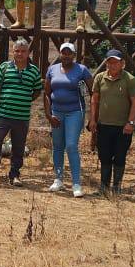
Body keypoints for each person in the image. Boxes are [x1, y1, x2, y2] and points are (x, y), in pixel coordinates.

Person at [0, 39, 44, 187]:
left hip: (22, 117)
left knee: (18, 147)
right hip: (3, 115)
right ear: (13, 52)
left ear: (28, 53)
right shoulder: (5, 67)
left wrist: (24, 99)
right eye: (17, 51)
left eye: (23, 51)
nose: (20, 54)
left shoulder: (34, 71)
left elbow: (37, 90)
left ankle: (15, 175)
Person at [44, 42, 93, 198]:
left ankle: (76, 183)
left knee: (71, 146)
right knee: (57, 146)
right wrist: (48, 115)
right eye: (63, 53)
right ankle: (58, 179)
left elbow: (93, 93)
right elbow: (46, 93)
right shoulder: (52, 69)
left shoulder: (82, 70)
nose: (66, 55)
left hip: (75, 112)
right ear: (60, 54)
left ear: (74, 55)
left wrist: (92, 116)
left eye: (69, 53)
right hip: (56, 112)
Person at [89, 50, 135, 195]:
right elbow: (94, 100)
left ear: (122, 63)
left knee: (119, 156)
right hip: (103, 125)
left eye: (115, 62)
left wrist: (130, 122)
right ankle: (104, 187)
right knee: (104, 156)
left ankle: (117, 187)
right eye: (109, 62)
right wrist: (93, 119)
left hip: (122, 126)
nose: (112, 65)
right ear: (106, 63)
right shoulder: (100, 77)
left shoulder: (129, 79)